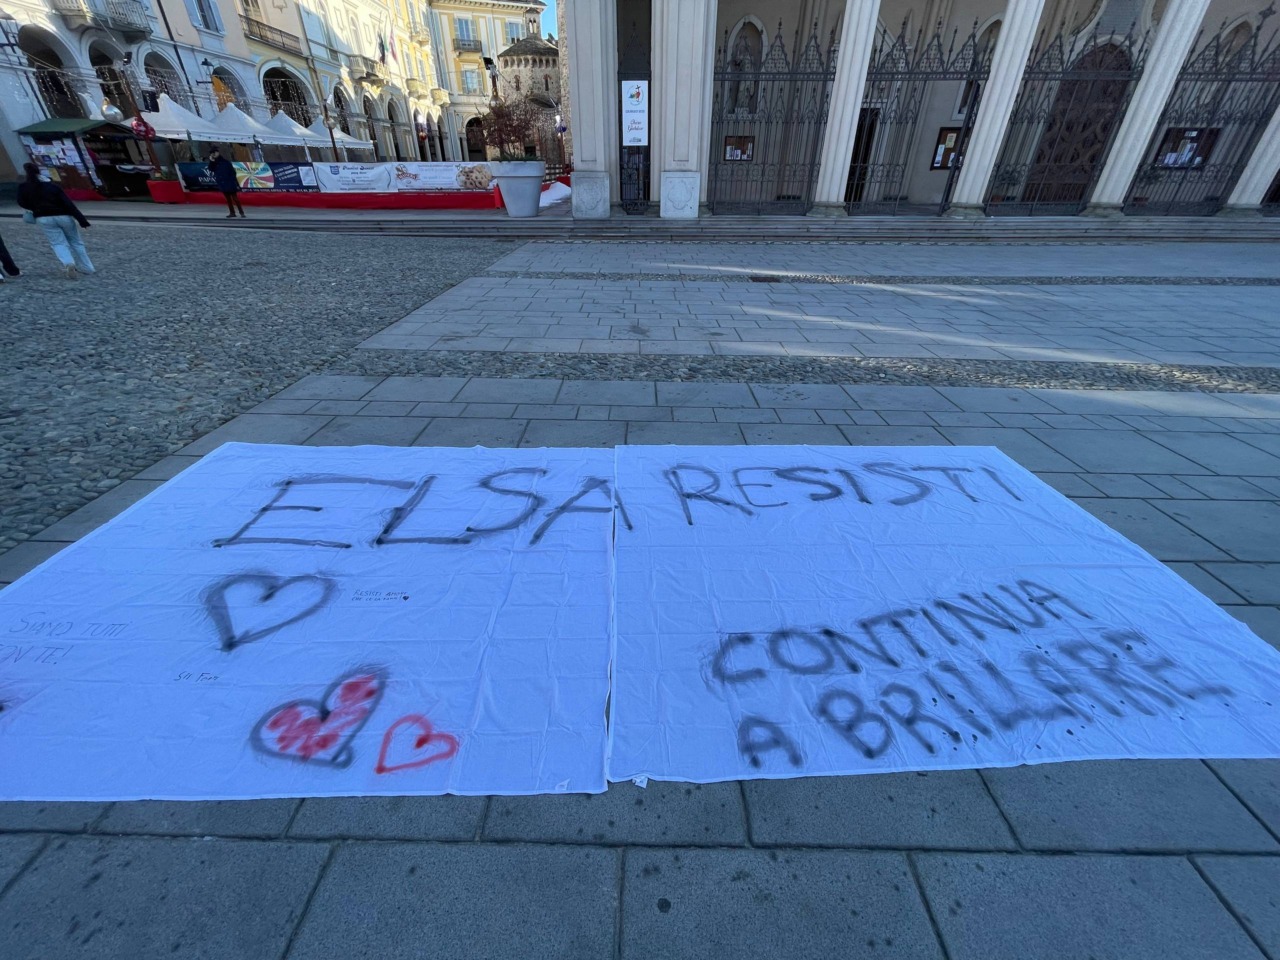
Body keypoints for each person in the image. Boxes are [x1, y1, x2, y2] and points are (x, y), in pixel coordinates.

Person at [16, 161, 94, 279]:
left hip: (43, 217)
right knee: (76, 242)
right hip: (63, 215)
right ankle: (88, 267)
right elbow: (68, 204)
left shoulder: (23, 187)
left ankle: (68, 262)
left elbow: (21, 202)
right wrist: (82, 220)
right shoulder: (52, 186)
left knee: (58, 243)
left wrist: (33, 208)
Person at [207, 148, 246, 218]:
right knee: (228, 199)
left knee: (235, 198)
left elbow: (233, 172)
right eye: (212, 153)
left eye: (214, 152)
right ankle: (232, 212)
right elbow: (211, 169)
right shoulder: (214, 162)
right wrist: (211, 161)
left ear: (218, 152)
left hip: (230, 182)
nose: (213, 154)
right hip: (222, 183)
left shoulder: (225, 162)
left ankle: (241, 212)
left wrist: (234, 182)